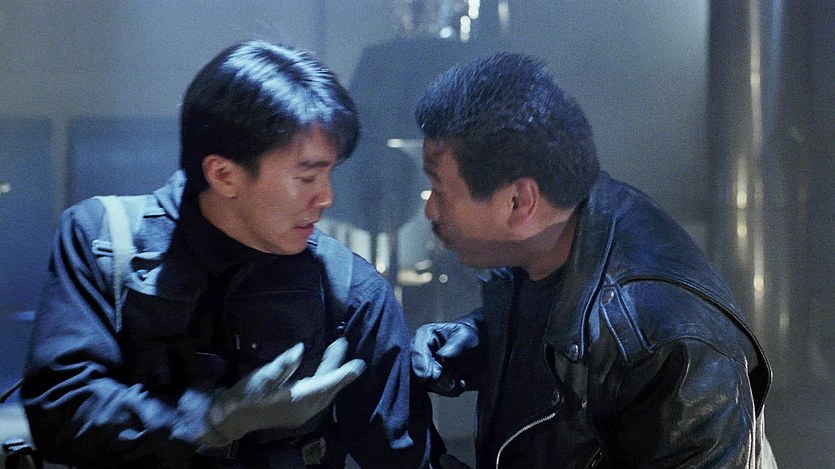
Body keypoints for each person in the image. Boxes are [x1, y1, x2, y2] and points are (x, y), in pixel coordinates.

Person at [22, 40, 441, 468]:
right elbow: (59, 410)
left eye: (330, 173)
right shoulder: (105, 241)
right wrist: (209, 420)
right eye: (307, 177)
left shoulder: (349, 289)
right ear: (223, 175)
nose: (327, 198)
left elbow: (406, 458)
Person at [410, 52, 774, 468]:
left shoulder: (668, 342)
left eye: (440, 190)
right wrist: (479, 341)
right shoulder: (551, 237)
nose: (430, 210)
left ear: (519, 201)